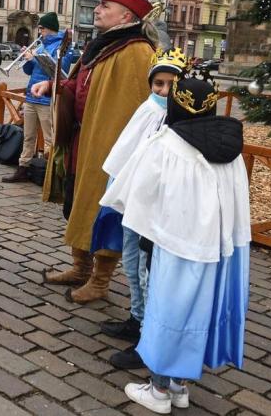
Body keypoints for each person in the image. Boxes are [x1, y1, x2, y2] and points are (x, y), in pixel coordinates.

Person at [100, 78, 250, 414]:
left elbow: (136, 191)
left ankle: (159, 390)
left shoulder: (168, 144)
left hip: (175, 244)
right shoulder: (231, 148)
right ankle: (181, 386)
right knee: (198, 313)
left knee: (168, 311)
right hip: (218, 248)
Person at [35, 0, 158, 304]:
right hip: (83, 138)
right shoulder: (103, 44)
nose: (99, 9)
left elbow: (132, 108)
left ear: (125, 14)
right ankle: (80, 267)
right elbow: (82, 85)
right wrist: (55, 85)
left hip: (109, 146)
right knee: (78, 198)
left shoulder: (136, 51)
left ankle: (100, 281)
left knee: (104, 207)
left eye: (106, 5)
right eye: (99, 4)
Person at [91, 50, 186, 370]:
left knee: (148, 269)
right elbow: (128, 149)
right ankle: (137, 317)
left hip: (153, 208)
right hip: (131, 200)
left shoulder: (180, 119)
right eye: (157, 83)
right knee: (131, 263)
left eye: (170, 85)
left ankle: (148, 336)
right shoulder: (148, 108)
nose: (162, 91)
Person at [3, 12, 78, 183]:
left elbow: (60, 71)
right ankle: (23, 168)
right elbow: (30, 71)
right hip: (31, 96)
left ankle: (50, 173)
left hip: (46, 98)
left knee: (49, 138)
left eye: (42, 28)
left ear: (50, 29)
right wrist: (27, 60)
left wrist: (35, 58)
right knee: (28, 136)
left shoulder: (62, 46)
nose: (40, 32)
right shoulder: (40, 45)